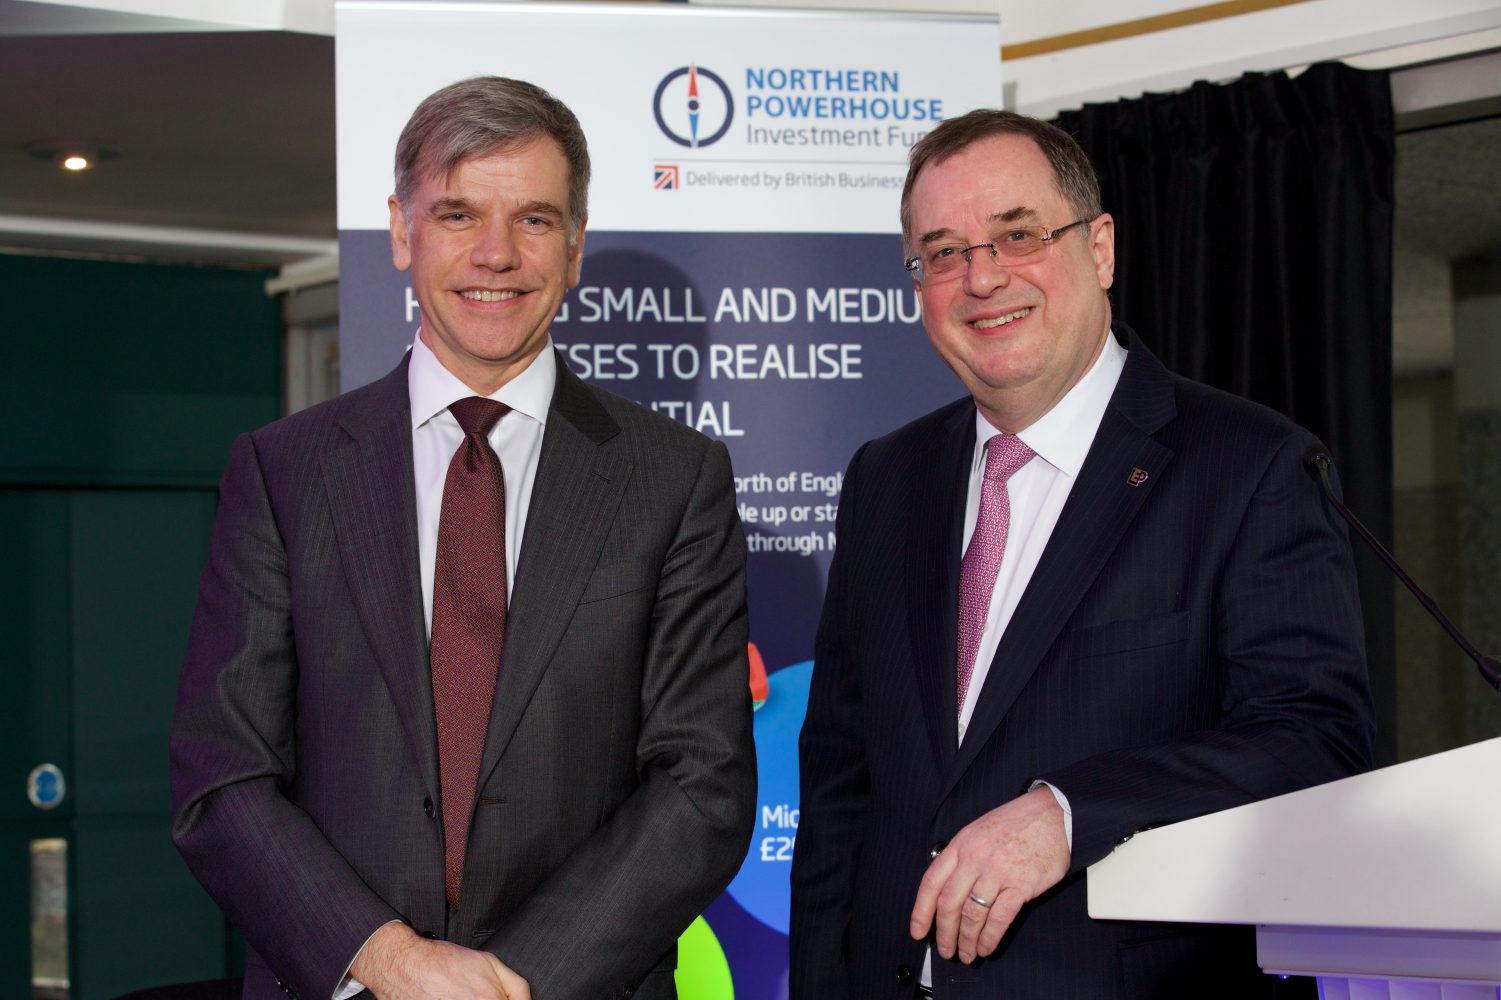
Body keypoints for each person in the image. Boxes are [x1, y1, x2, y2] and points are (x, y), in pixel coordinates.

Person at [170, 76, 755, 1000]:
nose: (496, 254)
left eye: (532, 220)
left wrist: (508, 984)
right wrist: (391, 962)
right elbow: (223, 775)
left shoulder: (674, 480)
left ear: (573, 249)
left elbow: (702, 786)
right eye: (456, 214)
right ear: (401, 234)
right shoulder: (284, 472)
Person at [788, 109, 1375, 999]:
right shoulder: (884, 478)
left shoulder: (1247, 463)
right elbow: (840, 784)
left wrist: (1069, 811)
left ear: (1098, 249)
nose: (981, 277)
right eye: (941, 253)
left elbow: (1311, 738)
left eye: (1017, 235)